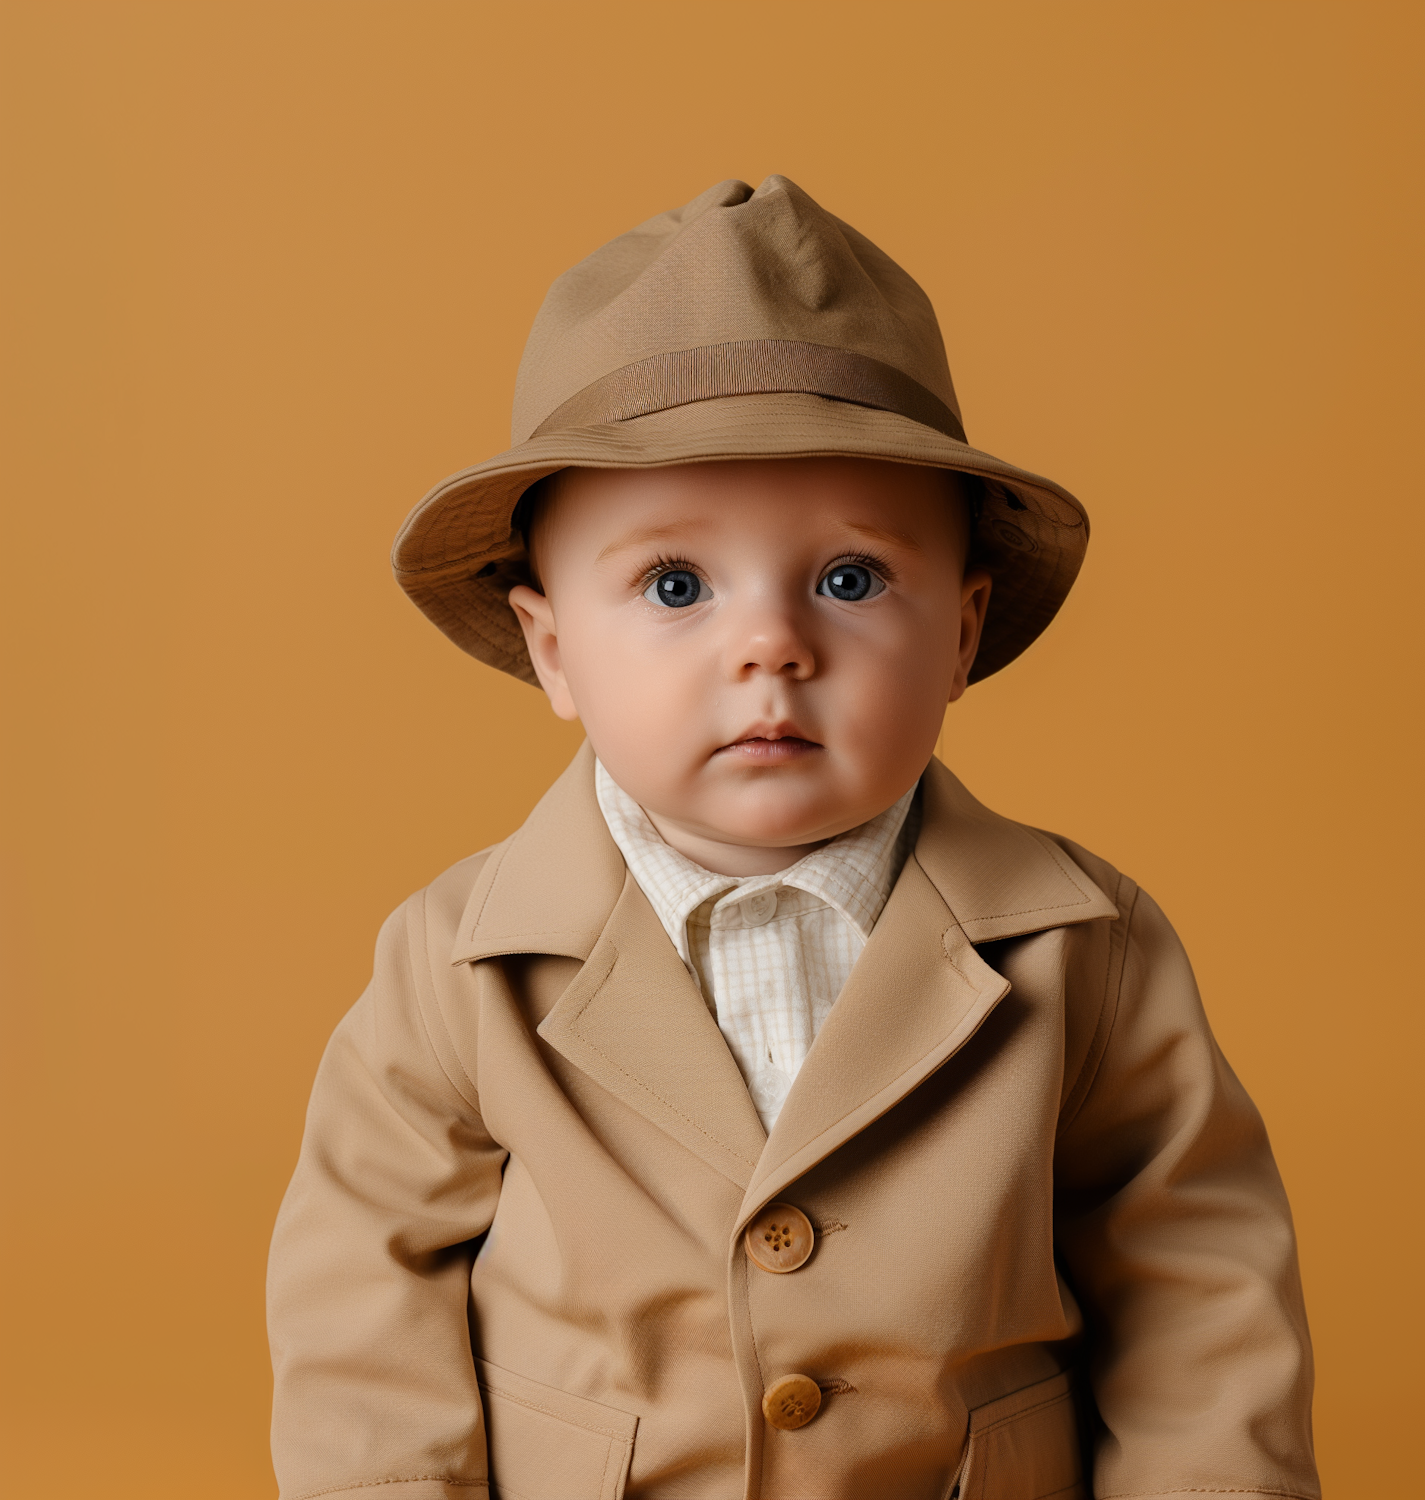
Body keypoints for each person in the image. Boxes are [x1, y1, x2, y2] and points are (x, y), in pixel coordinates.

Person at [266, 176, 1319, 1500]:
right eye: (674, 585)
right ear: (554, 652)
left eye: (849, 579)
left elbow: (1201, 1297)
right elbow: (363, 1319)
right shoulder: (454, 966)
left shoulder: (1086, 950)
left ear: (963, 633)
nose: (771, 644)